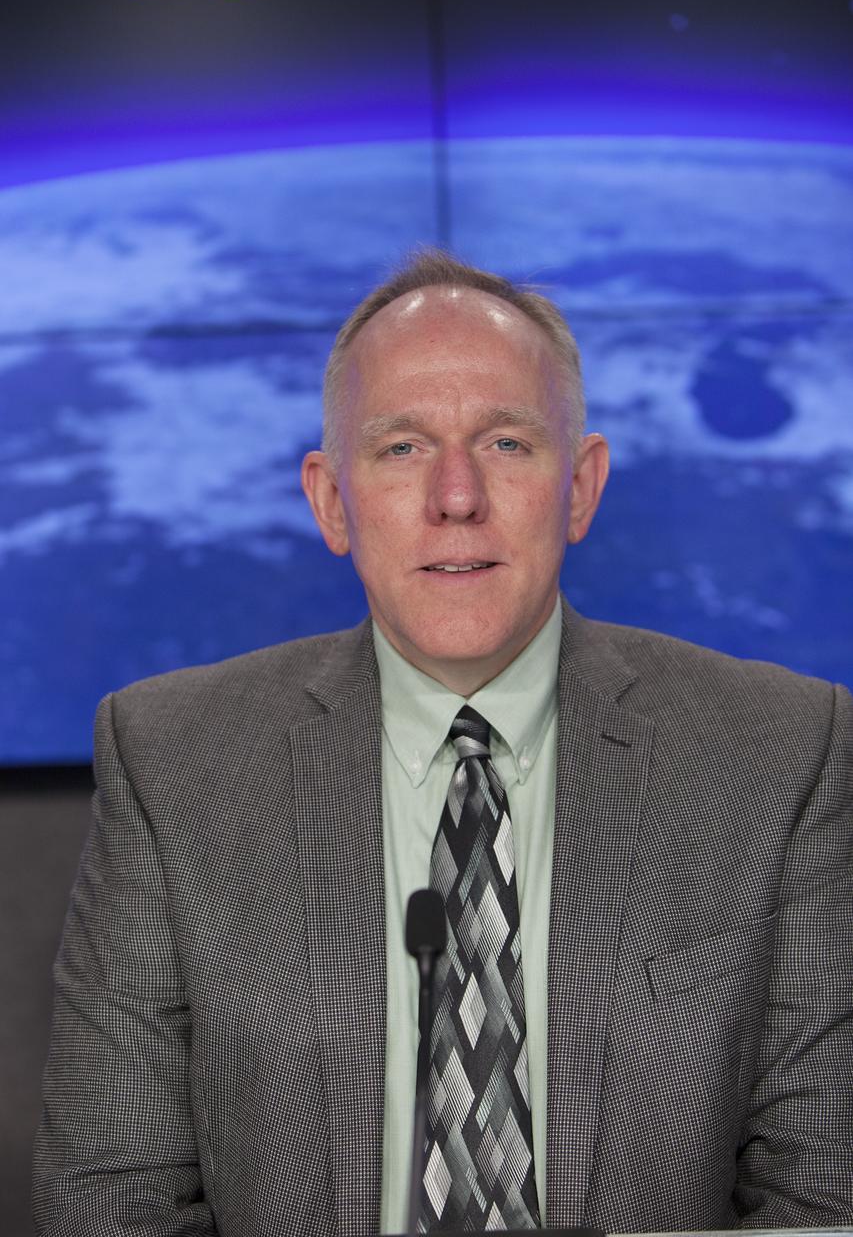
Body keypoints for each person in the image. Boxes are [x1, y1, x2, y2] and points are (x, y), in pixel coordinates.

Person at [33, 249, 853, 1236]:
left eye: (506, 443)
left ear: (581, 487)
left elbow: (823, 1197)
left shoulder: (780, 754)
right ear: (331, 500)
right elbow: (109, 1198)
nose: (455, 495)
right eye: (400, 448)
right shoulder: (170, 762)